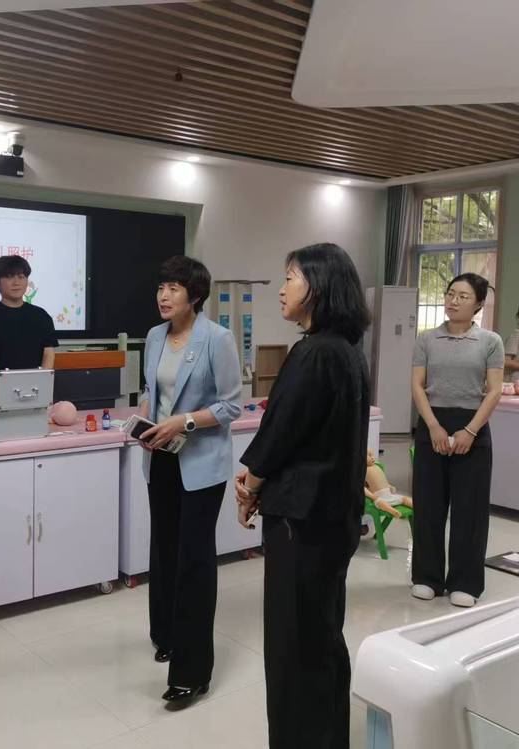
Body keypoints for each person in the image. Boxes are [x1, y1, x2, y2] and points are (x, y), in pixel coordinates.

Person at [234, 242, 370, 749]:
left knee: (293, 646)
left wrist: (250, 484)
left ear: (318, 286)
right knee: (323, 636)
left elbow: (280, 433)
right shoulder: (348, 350)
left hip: (301, 518)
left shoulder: (312, 353)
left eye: (291, 277)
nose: (282, 289)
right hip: (333, 517)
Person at [138, 255, 242, 709]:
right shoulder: (154, 336)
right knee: (163, 550)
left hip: (200, 465)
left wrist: (183, 422)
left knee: (194, 561)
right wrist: (146, 424)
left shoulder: (217, 338)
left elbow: (231, 406)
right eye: (161, 287)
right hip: (160, 458)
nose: (164, 296)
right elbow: (152, 392)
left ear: (194, 295)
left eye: (174, 288)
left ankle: (192, 672)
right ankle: (166, 635)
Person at [410, 272, 504, 609]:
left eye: (463, 296)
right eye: (450, 294)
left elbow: (494, 391)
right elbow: (417, 385)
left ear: (478, 304)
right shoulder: (426, 339)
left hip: (473, 426)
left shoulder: (490, 341)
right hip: (432, 423)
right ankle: (427, 577)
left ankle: (465, 582)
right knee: (428, 505)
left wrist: (470, 431)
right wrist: (433, 426)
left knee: (470, 509)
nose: (453, 300)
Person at [0, 255, 57, 407]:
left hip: (35, 394)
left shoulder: (41, 316)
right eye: (9, 277)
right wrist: (8, 389)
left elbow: (48, 354)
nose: (16, 282)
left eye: (21, 277)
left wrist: (39, 385)